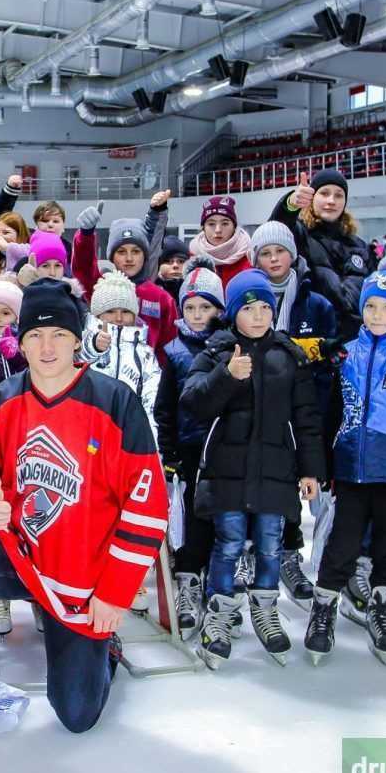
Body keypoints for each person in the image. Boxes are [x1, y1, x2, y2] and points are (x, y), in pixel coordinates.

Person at [0, 278, 167, 750]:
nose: (47, 347)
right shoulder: (0, 402)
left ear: (77, 338)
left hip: (84, 574)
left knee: (76, 715)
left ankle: (102, 649)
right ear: (21, 341)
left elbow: (148, 506)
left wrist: (114, 594)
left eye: (59, 336)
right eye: (34, 336)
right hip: (20, 556)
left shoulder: (115, 402)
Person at [181, 270, 324, 668]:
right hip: (227, 473)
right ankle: (220, 615)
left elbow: (307, 417)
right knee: (227, 545)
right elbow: (193, 402)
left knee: (270, 546)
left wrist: (310, 470)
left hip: (276, 474)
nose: (259, 316)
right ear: (233, 313)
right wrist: (226, 377)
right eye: (249, 308)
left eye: (266, 307)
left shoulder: (289, 356)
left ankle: (265, 610)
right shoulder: (216, 352)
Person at [305, 271, 386, 667]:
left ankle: (381, 608)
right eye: (371, 307)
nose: (378, 315)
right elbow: (321, 381)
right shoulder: (348, 352)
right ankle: (323, 608)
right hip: (351, 468)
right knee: (342, 543)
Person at [248, 220, 340, 603]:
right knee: (264, 482)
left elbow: (329, 357)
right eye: (265, 253)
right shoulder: (248, 299)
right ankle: (262, 551)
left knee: (298, 481)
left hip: (302, 405)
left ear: (293, 255)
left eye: (279, 251)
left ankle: (289, 553)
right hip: (260, 407)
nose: (273, 259)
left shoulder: (315, 302)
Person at [154, 262, 225, 633]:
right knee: (191, 520)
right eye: (191, 307)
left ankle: (219, 584)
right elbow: (164, 408)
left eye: (206, 307)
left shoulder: (231, 346)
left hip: (225, 452)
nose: (198, 315)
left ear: (219, 310)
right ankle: (188, 580)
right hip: (189, 450)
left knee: (222, 519)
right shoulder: (174, 351)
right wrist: (169, 453)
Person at [71, 191, 177, 359]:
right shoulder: (103, 287)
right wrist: (85, 235)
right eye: (121, 251)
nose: (129, 258)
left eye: (135, 251)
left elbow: (170, 348)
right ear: (112, 256)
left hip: (147, 379)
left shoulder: (161, 298)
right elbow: (83, 268)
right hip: (103, 376)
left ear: (145, 255)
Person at [269, 170, 371, 338]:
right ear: (312, 197)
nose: (331, 201)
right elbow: (277, 231)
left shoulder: (359, 246)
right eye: (324, 193)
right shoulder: (300, 235)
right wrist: (289, 205)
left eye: (338, 195)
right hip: (311, 338)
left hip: (354, 341)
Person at [83, 272, 161, 431]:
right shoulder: (84, 340)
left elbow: (152, 398)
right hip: (88, 428)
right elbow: (75, 360)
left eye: (125, 311)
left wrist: (150, 440)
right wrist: (93, 346)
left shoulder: (145, 353)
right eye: (110, 311)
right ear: (97, 314)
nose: (118, 318)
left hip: (129, 431)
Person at [187, 196, 251, 288]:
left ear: (234, 227)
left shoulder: (250, 256)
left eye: (225, 223)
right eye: (211, 224)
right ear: (203, 227)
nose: (218, 230)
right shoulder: (191, 259)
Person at [156, 236, 189, 302]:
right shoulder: (149, 292)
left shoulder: (195, 291)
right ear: (159, 265)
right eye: (168, 261)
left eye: (181, 261)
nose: (175, 265)